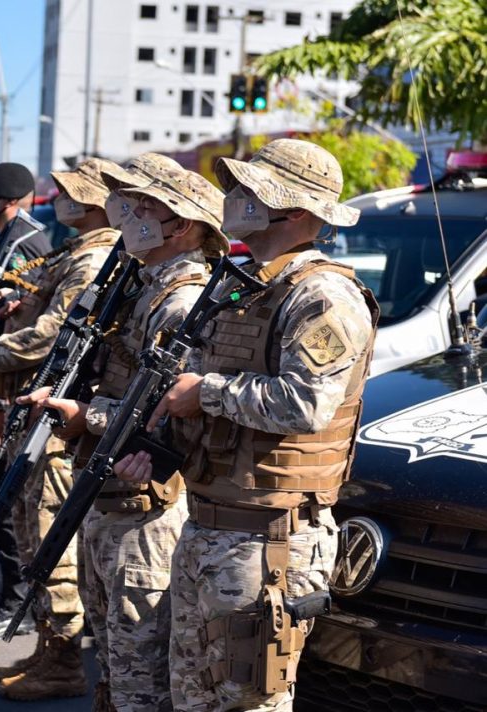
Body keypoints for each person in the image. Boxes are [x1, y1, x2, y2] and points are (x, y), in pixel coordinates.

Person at [113, 139, 378, 711]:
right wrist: (158, 450)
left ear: (300, 211)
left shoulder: (323, 295)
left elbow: (305, 405)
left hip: (270, 541)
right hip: (211, 525)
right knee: (192, 698)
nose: (237, 198)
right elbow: (201, 389)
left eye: (254, 189)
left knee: (244, 703)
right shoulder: (246, 283)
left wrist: (204, 393)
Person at [36, 155, 228, 711]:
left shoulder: (182, 299)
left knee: (141, 672)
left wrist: (83, 416)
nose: (129, 215)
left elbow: (165, 411)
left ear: (183, 225)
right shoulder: (145, 286)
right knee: (117, 664)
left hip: (146, 505)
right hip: (113, 487)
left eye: (146, 207)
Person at [0, 158, 121, 696]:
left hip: (56, 421)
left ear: (90, 200)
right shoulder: (79, 251)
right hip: (28, 410)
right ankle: (48, 651)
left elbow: (50, 335)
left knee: (50, 544)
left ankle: (63, 662)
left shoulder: (94, 258)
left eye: (68, 191)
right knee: (29, 535)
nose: (58, 199)